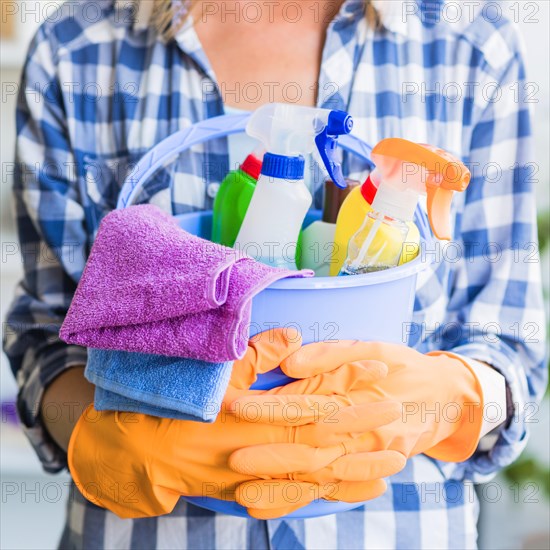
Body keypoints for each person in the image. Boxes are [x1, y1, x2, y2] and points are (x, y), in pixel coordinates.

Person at [4, 0, 547, 548]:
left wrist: (448, 401)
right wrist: (99, 441)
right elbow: (49, 330)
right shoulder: (79, 48)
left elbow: (510, 349)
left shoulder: (473, 44)